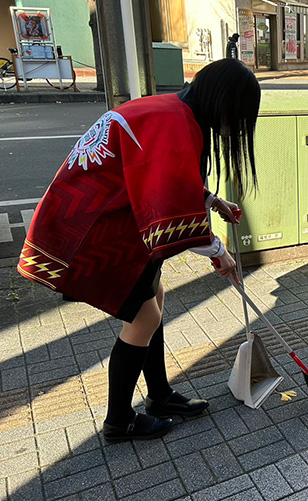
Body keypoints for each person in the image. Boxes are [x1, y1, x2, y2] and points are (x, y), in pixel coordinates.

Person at [18, 58, 260, 441]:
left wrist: (213, 202)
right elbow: (168, 198)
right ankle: (119, 421)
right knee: (144, 317)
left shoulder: (172, 111)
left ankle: (160, 396)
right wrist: (218, 252)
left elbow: (161, 177)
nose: (233, 128)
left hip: (105, 215)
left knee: (154, 297)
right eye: (237, 116)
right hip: (91, 226)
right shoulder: (177, 124)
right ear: (223, 102)